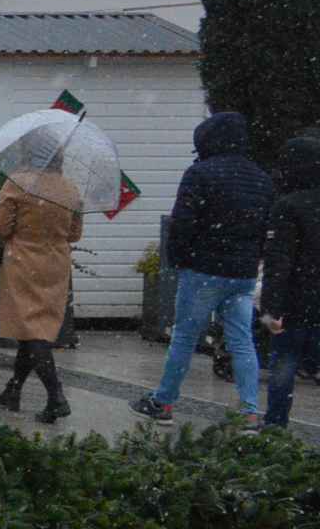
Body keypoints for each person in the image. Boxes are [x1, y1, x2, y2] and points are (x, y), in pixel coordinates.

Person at [135, 110, 273, 421]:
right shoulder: (261, 178)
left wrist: (180, 260)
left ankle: (164, 402)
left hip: (204, 271)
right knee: (242, 340)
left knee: (185, 336)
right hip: (243, 274)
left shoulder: (200, 174)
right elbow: (265, 228)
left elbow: (182, 224)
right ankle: (250, 412)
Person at [0, 167, 83, 424]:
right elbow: (75, 234)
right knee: (34, 328)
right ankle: (14, 389)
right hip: (55, 263)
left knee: (32, 332)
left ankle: (56, 396)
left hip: (23, 261)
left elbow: (1, 227)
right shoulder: (70, 188)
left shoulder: (18, 183)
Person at [259, 132, 320, 431]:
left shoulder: (287, 207)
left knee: (284, 364)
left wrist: (271, 309)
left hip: (296, 302)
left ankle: (275, 425)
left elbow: (278, 263)